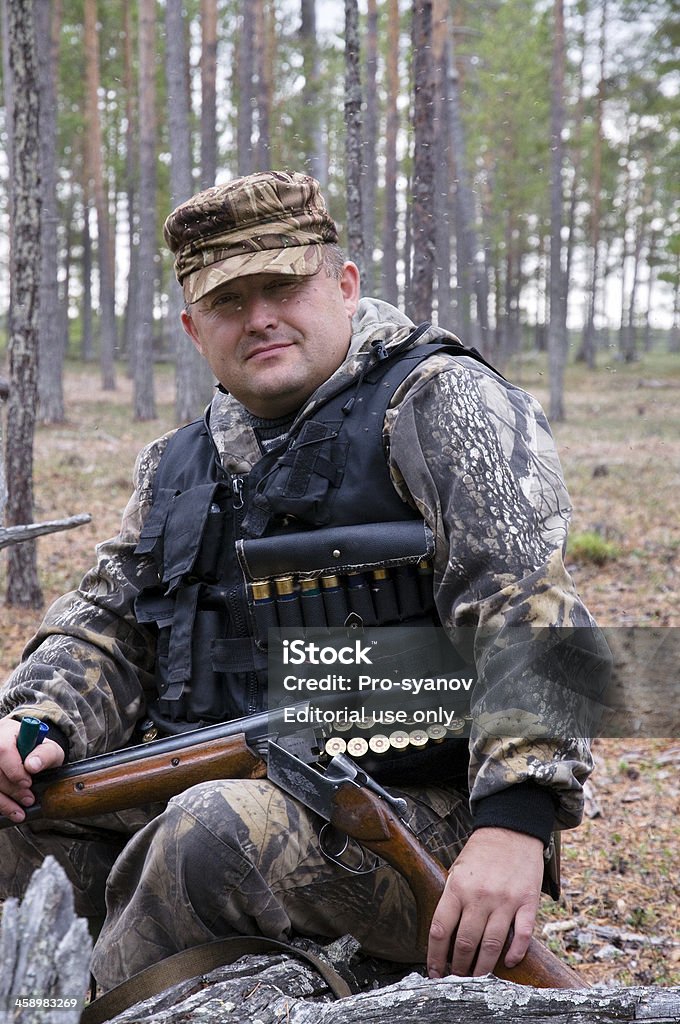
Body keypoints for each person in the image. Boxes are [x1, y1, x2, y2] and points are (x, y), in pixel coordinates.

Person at [0, 171, 604, 992]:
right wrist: (36, 719)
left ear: (344, 285)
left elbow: (530, 610)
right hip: (217, 776)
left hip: (421, 817)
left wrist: (517, 821)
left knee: (207, 836)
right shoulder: (179, 463)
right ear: (191, 327)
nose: (260, 318)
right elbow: (106, 622)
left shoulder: (438, 402)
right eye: (228, 301)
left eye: (283, 285)